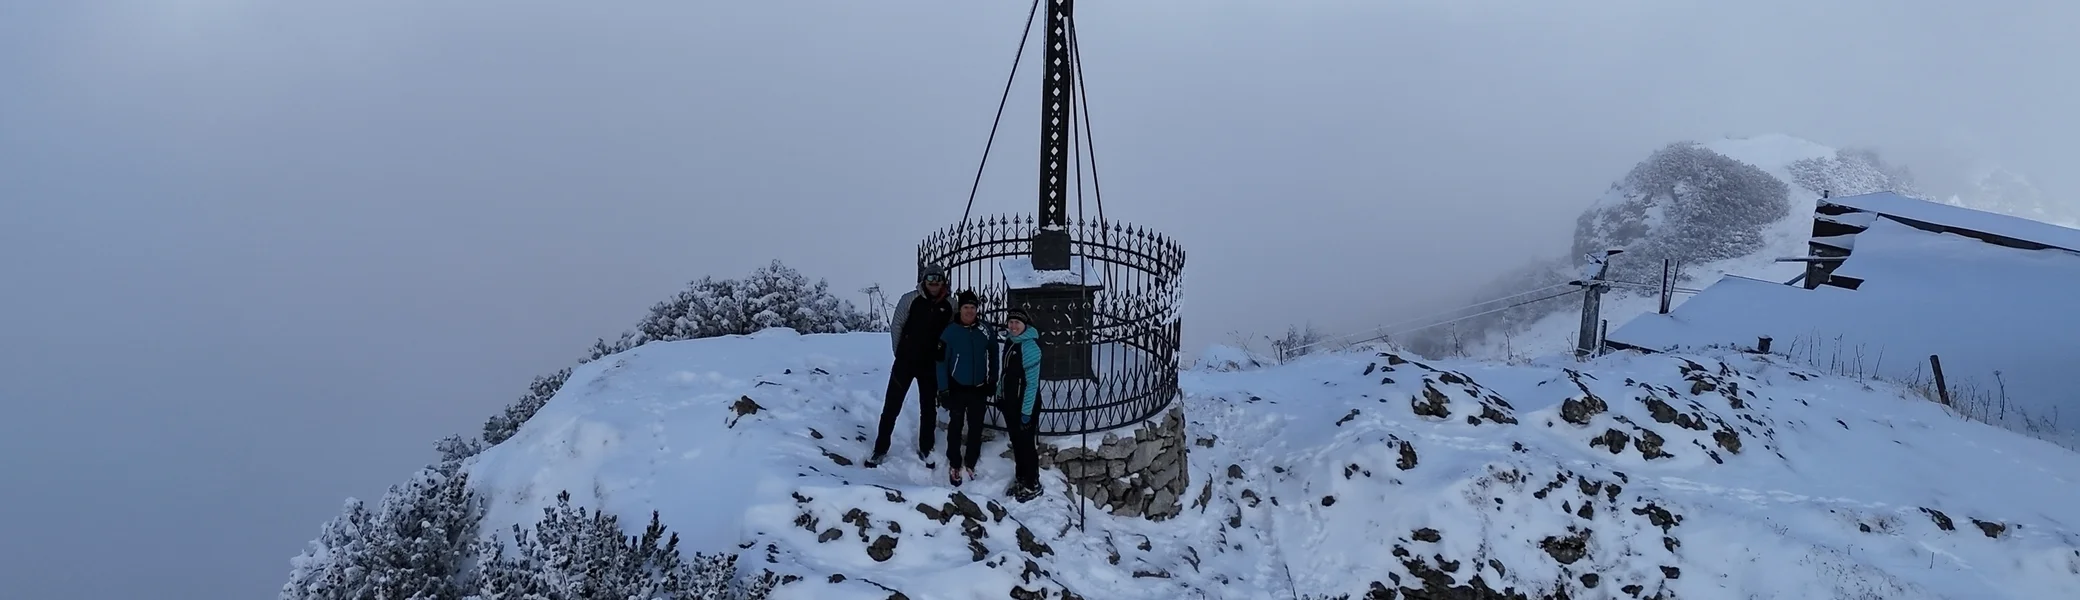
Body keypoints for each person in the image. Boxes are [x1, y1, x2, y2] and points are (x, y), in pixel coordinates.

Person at [866, 265, 954, 469]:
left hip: (930, 364)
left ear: (943, 281)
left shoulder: (950, 304)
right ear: (924, 280)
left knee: (928, 408)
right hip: (906, 362)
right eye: (930, 278)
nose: (934, 282)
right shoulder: (910, 298)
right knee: (892, 406)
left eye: (938, 278)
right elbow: (897, 325)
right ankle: (880, 448)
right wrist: (900, 352)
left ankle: (926, 448)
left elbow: (951, 331)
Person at [936, 289, 998, 486]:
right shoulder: (950, 332)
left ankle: (971, 460)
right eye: (966, 307)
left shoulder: (985, 330)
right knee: (956, 425)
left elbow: (994, 353)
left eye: (973, 307)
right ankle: (954, 461)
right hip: (957, 386)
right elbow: (940, 362)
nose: (969, 311)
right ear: (960, 309)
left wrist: (992, 380)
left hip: (978, 387)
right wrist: (943, 389)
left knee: (976, 425)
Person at [997, 308, 1044, 501]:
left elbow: (1032, 384)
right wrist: (1000, 394)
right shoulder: (1011, 341)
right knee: (1017, 443)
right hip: (1010, 402)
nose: (1013, 326)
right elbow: (1006, 372)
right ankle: (1021, 478)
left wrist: (1026, 412)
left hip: (1026, 405)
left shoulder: (1030, 347)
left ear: (1025, 325)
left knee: (1026, 445)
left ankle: (1032, 483)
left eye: (1017, 323)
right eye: (1011, 322)